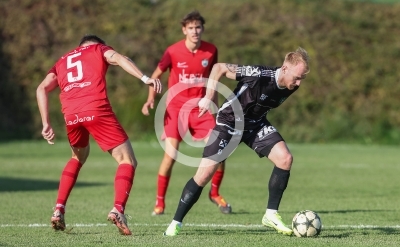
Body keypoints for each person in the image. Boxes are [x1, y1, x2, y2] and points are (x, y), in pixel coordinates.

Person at [163, 47, 310, 236]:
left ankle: (271, 214)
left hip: (255, 125)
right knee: (204, 174)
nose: (298, 83)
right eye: (297, 77)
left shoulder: (291, 85)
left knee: (285, 159)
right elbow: (218, 68)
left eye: (302, 79)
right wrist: (208, 97)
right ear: (284, 68)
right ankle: (176, 222)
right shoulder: (259, 74)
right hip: (229, 122)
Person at [36, 34, 162, 235]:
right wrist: (145, 78)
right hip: (95, 109)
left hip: (71, 115)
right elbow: (120, 59)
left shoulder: (62, 60)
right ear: (96, 45)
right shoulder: (98, 49)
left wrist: (46, 123)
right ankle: (118, 209)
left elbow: (42, 88)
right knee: (127, 160)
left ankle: (58, 209)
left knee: (77, 157)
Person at [142, 10, 231, 216]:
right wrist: (150, 99)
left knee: (220, 150)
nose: (195, 31)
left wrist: (215, 108)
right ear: (184, 30)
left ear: (202, 29)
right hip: (175, 109)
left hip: (200, 109)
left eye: (198, 27)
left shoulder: (211, 51)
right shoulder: (172, 51)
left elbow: (213, 81)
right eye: (190, 28)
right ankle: (160, 203)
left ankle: (215, 193)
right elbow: (155, 76)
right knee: (170, 156)